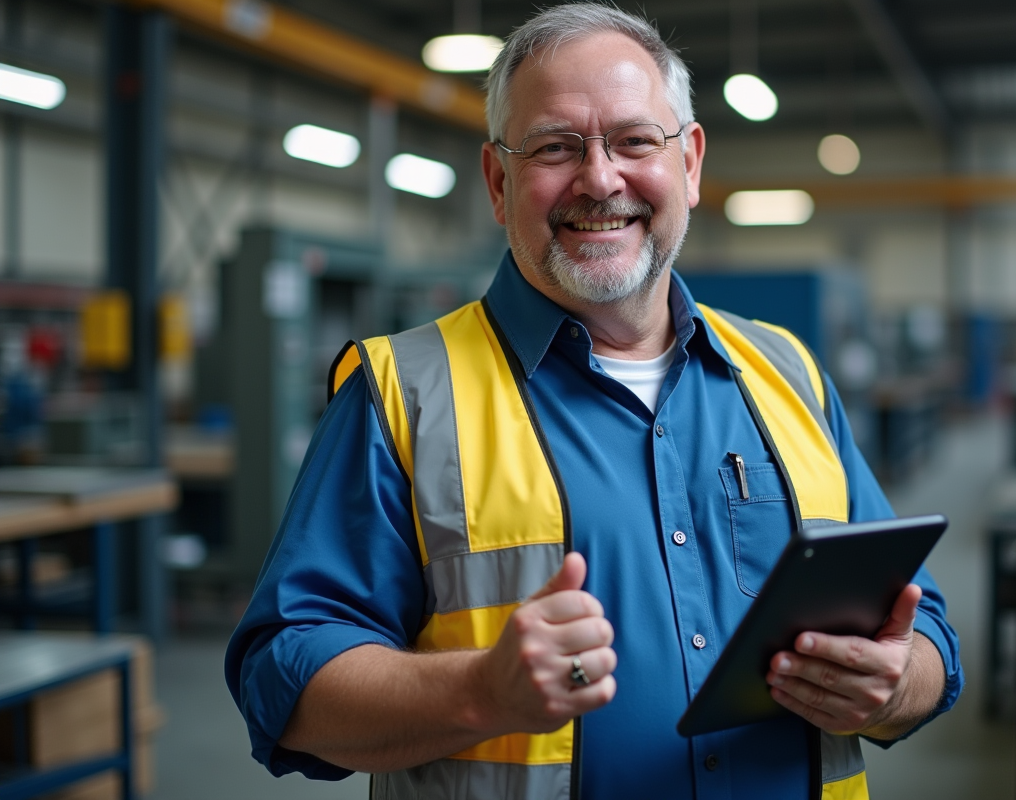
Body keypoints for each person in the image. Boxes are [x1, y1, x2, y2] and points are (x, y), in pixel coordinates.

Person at [225, 5, 962, 799]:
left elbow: (923, 630)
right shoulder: (402, 394)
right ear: (500, 183)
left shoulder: (787, 372)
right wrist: (481, 693)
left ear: (690, 163)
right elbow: (283, 682)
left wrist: (893, 687)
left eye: (636, 140)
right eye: (555, 147)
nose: (601, 178)